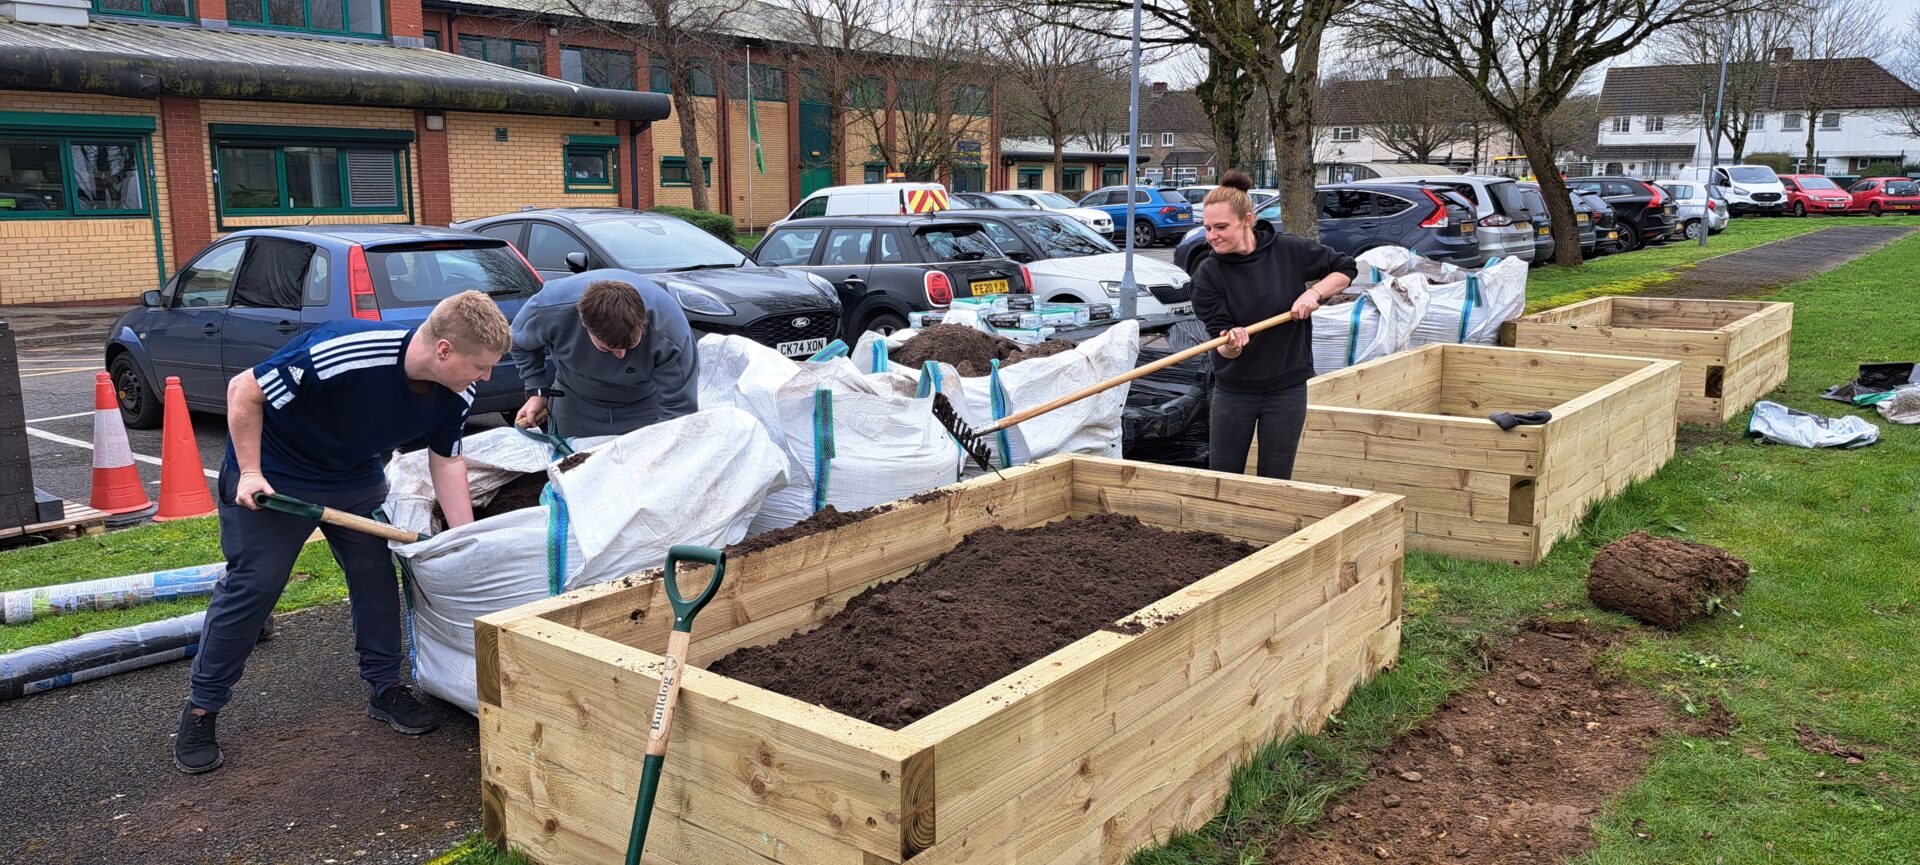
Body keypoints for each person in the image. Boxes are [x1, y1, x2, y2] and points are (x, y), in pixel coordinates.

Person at [174, 290, 512, 774]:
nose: (485, 376)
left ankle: (385, 687)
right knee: (255, 585)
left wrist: (463, 537)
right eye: (480, 365)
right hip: (276, 473)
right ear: (443, 351)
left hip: (353, 476)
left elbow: (448, 459)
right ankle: (203, 707)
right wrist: (249, 472)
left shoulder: (458, 391)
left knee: (375, 577)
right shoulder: (345, 351)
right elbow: (243, 391)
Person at [1190, 171, 1356, 480]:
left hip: (1287, 388)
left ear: (1247, 220)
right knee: (1223, 477)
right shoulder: (1208, 274)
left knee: (1276, 478)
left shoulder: (1290, 251)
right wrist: (1231, 343)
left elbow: (1345, 269)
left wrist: (1313, 292)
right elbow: (1222, 344)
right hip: (1235, 391)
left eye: (1221, 227)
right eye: (1208, 228)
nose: (1212, 236)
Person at [510, 270, 698, 438]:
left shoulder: (670, 331)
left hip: (643, 406)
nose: (621, 356)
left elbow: (679, 410)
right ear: (585, 325)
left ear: (643, 321)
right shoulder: (548, 310)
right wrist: (536, 391)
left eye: (631, 344)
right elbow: (519, 343)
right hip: (575, 405)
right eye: (607, 349)